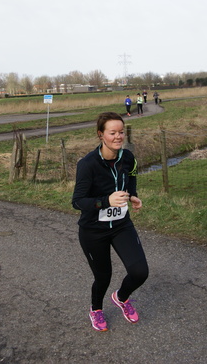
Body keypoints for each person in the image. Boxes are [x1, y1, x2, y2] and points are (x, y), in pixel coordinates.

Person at [72, 112, 149, 332]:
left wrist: (132, 194)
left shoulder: (127, 158)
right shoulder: (87, 164)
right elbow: (77, 202)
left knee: (140, 272)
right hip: (93, 230)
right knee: (103, 276)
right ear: (101, 135)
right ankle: (96, 309)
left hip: (121, 225)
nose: (118, 137)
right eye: (112, 132)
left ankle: (122, 298)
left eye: (121, 132)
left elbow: (132, 175)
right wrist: (106, 201)